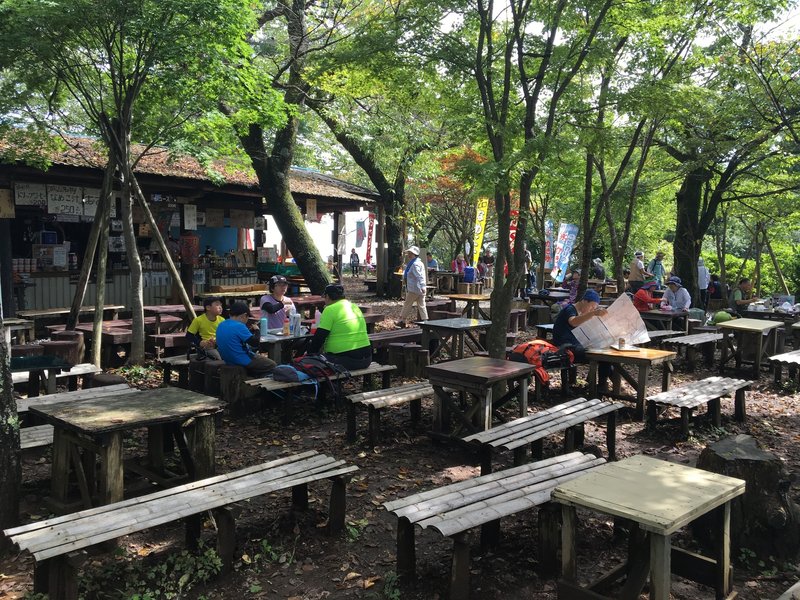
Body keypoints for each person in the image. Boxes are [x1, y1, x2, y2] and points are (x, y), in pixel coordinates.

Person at [552, 290, 611, 387]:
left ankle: (601, 386)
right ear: (584, 301)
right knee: (602, 357)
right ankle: (599, 388)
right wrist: (593, 314)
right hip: (565, 347)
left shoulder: (582, 313)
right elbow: (573, 322)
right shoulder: (570, 309)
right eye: (591, 307)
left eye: (594, 308)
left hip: (577, 345)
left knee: (607, 358)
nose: (591, 310)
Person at [307, 283, 373, 370]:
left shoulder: (330, 309)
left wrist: (310, 355)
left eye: (324, 297)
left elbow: (319, 337)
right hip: (367, 359)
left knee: (312, 365)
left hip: (345, 360)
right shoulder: (354, 306)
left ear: (327, 296)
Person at [216, 302, 276, 377]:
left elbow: (237, 338)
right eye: (247, 317)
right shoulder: (239, 326)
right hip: (241, 360)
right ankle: (258, 381)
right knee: (272, 365)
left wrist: (251, 331)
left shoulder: (222, 324)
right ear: (244, 316)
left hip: (228, 359)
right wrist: (257, 330)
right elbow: (255, 343)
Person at [399, 245, 428, 327]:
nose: (408, 254)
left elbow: (419, 276)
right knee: (422, 305)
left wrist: (422, 286)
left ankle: (402, 320)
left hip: (415, 288)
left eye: (410, 253)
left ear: (414, 254)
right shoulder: (417, 263)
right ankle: (425, 322)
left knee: (407, 304)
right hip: (419, 288)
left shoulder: (415, 264)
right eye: (409, 253)